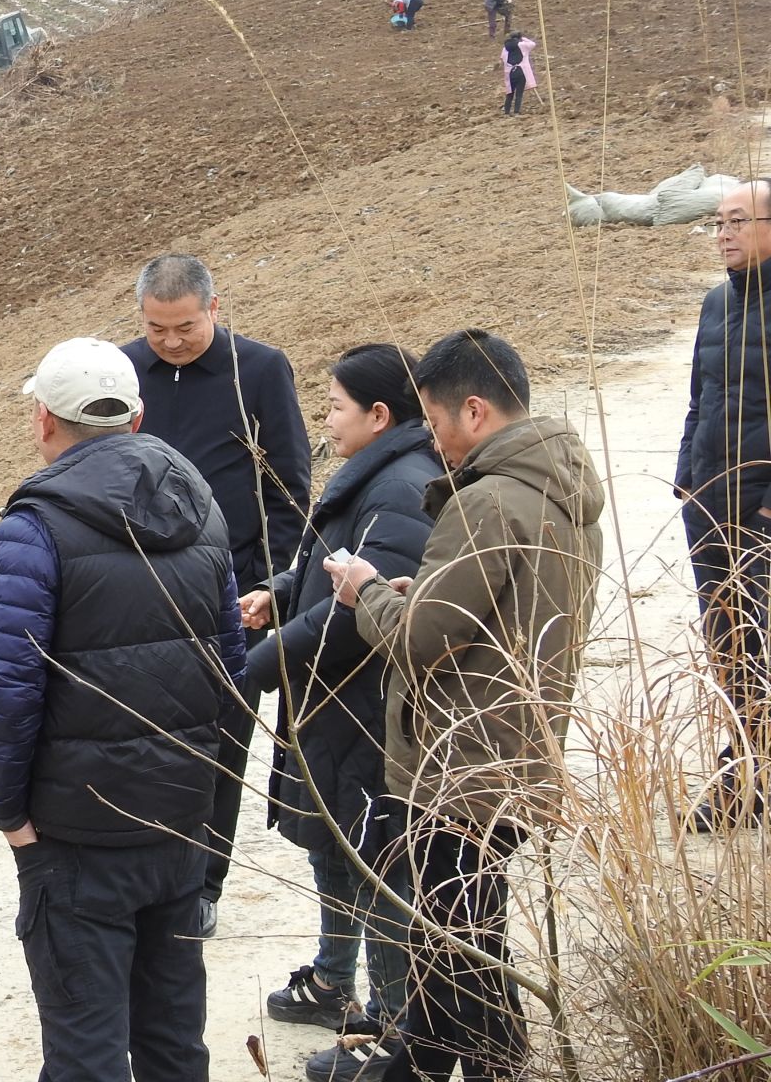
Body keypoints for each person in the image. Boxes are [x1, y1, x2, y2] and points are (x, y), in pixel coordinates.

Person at [0, 337, 246, 1082]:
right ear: (136, 417)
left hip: (76, 835)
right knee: (174, 1041)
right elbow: (231, 673)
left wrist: (5, 812)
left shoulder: (36, 527)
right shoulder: (202, 508)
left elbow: (5, 687)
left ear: (43, 420)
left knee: (85, 1053)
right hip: (178, 823)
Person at [328, 329, 602, 1082]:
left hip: (458, 764)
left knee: (455, 953)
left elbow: (418, 640)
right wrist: (419, 592)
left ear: (473, 410)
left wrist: (366, 592)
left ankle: (470, 1069)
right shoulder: (561, 488)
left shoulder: (486, 502)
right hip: (514, 752)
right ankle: (438, 1066)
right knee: (462, 943)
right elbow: (501, 614)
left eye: (433, 420)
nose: (432, 439)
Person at [240, 347, 440, 1081]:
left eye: (334, 406)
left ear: (379, 415)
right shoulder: (375, 473)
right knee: (332, 845)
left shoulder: (401, 487)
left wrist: (260, 663)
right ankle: (332, 979)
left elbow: (359, 616)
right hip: (333, 706)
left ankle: (388, 1026)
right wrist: (278, 591)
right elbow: (330, 568)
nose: (324, 419)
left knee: (373, 862)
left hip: (365, 709)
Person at [120, 253, 311, 939]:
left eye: (185, 328)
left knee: (222, 741)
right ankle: (142, 874)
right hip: (135, 586)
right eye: (156, 329)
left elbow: (289, 485)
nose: (170, 342)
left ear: (214, 309)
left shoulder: (257, 369)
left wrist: (270, 582)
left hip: (230, 591)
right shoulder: (122, 369)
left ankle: (203, 883)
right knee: (137, 736)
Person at [676, 179, 771, 830]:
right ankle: (748, 777)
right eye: (718, 222)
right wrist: (686, 481)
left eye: (738, 221)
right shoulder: (716, 303)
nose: (724, 233)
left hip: (763, 512)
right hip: (710, 507)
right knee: (731, 649)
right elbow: (699, 399)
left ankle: (749, 776)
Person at [500, 32, 536, 114]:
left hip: (510, 73)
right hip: (521, 71)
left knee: (510, 93)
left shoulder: (505, 48)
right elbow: (532, 44)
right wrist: (523, 38)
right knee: (519, 93)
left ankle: (507, 112)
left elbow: (502, 59)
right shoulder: (522, 45)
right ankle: (516, 111)